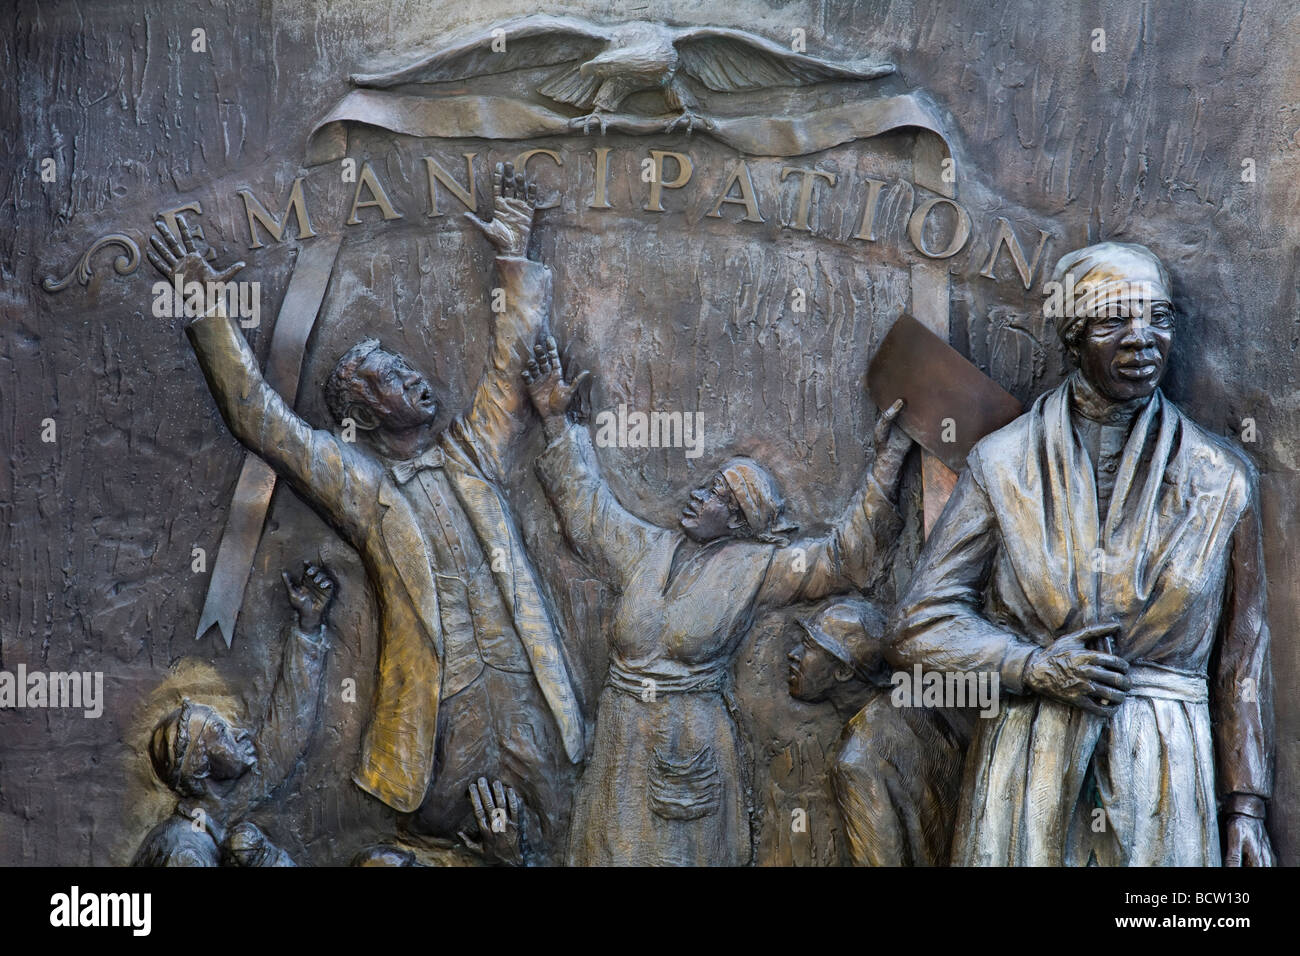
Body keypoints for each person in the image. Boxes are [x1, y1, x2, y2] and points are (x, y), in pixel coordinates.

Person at [145, 165, 584, 861]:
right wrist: (203, 307)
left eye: (407, 370)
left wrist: (516, 254)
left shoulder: (471, 453)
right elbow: (261, 420)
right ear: (366, 411)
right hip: (445, 720)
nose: (414, 376)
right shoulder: (360, 486)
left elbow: (509, 363)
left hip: (531, 702)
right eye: (391, 377)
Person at [891, 242, 1274, 866]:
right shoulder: (1004, 464)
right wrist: (1032, 666)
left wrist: (1246, 807)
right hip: (1031, 762)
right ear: (1073, 337)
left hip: (1163, 769)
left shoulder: (1222, 480)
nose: (1141, 338)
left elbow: (1243, 658)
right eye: (1112, 320)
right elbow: (919, 626)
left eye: (1157, 316)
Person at [523, 338, 911, 865]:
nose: (699, 496)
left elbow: (844, 559)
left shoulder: (755, 569)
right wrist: (554, 422)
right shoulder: (645, 549)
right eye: (706, 487)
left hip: (690, 744)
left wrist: (887, 463)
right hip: (620, 741)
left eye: (718, 497)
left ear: (739, 521)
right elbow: (585, 511)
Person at [133, 564, 335, 866]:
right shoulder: (185, 853)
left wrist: (308, 625)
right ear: (202, 771)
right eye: (221, 733)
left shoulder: (221, 807)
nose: (238, 733)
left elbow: (283, 739)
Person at [787, 598, 967, 866]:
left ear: (843, 671)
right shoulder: (919, 706)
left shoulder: (856, 762)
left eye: (810, 646)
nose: (794, 653)